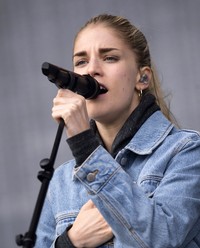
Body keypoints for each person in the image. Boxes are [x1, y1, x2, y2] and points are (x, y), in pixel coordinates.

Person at [35, 14, 200, 248]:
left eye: (109, 58)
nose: (91, 70)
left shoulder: (186, 153)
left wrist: (84, 144)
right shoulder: (61, 181)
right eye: (81, 62)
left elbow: (160, 240)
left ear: (142, 77)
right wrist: (70, 242)